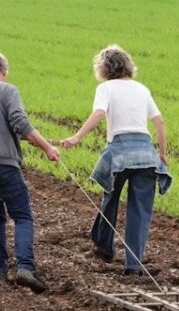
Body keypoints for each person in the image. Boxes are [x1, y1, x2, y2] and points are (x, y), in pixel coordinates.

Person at [60, 44, 172, 276]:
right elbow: (160, 122)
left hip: (120, 151)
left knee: (110, 198)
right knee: (140, 211)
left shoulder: (106, 88)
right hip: (146, 153)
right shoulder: (142, 89)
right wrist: (162, 155)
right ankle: (133, 265)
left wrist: (77, 137)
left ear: (104, 68)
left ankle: (104, 246)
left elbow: (100, 113)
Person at [0, 51, 59, 293]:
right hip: (1, 164)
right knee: (22, 216)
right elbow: (19, 122)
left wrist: (33, 140)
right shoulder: (8, 90)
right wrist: (48, 148)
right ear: (4, 70)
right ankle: (25, 267)